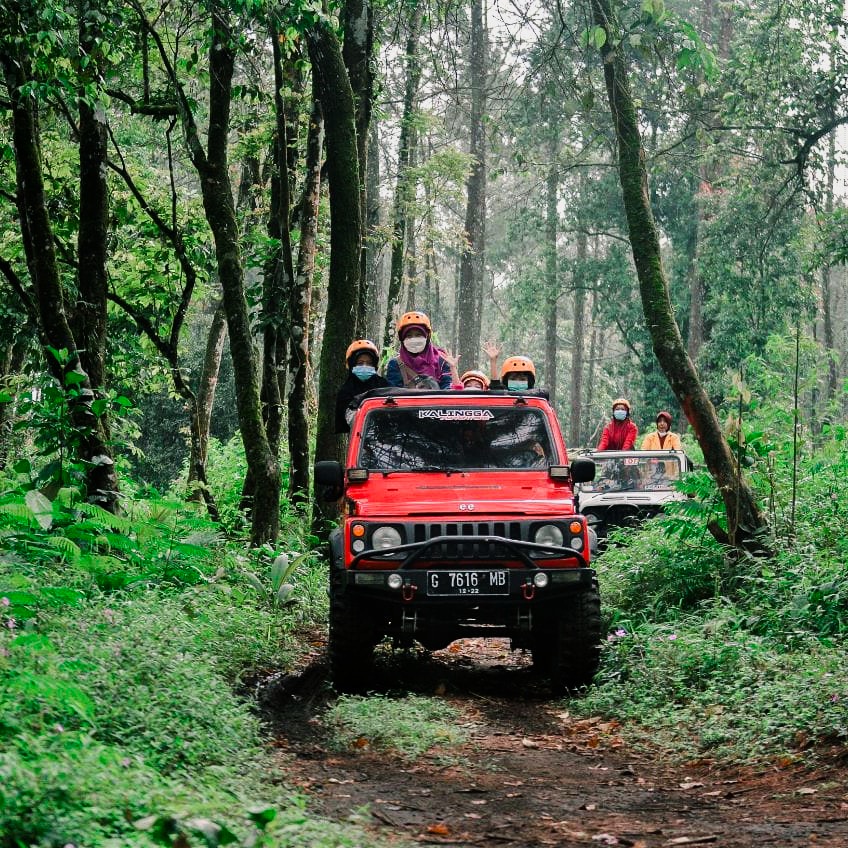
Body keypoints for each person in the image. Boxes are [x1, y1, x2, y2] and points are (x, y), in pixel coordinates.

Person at [385, 311, 453, 389]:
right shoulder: (395, 364)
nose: (413, 339)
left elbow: (448, 389)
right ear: (402, 339)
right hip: (406, 401)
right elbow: (393, 393)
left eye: (418, 335)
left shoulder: (441, 360)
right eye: (409, 336)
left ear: (427, 336)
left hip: (436, 401)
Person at [335, 339, 389, 433]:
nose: (365, 366)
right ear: (352, 365)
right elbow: (347, 418)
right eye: (360, 363)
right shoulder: (346, 391)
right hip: (357, 438)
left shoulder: (383, 385)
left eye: (369, 363)